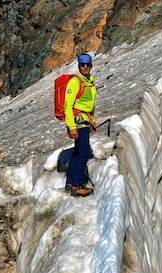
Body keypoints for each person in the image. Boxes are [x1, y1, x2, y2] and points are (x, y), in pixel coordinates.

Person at [64, 53, 97, 197]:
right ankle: (77, 185)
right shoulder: (75, 82)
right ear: (79, 66)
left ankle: (71, 182)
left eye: (87, 65)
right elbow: (67, 106)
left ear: (90, 66)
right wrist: (71, 127)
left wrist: (92, 120)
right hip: (78, 121)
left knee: (78, 151)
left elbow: (89, 104)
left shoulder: (89, 81)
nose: (85, 67)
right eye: (82, 65)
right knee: (83, 152)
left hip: (85, 119)